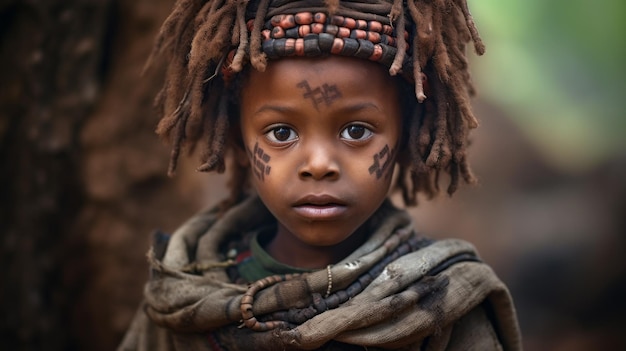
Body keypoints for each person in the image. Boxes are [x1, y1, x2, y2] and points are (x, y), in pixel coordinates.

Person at [119, 0, 522, 350]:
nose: (318, 164)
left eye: (356, 131)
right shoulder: (180, 292)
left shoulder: (444, 298)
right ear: (240, 142)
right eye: (282, 133)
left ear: (406, 138)